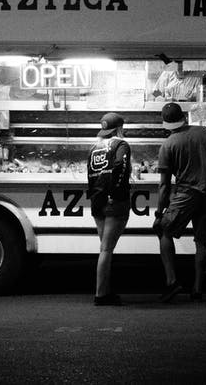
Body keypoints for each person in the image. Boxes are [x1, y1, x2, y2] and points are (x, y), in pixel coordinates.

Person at [153, 102, 206, 302]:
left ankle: (172, 282)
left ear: (166, 123)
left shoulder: (168, 145)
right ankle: (197, 288)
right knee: (201, 241)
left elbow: (164, 186)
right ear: (184, 117)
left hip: (186, 193)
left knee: (164, 230)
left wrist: (159, 212)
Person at [88, 112, 132, 306]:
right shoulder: (121, 145)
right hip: (114, 202)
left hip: (97, 201)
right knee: (106, 249)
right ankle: (101, 295)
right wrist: (116, 194)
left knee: (104, 248)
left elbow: (89, 175)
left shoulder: (93, 147)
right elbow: (120, 167)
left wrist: (96, 196)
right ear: (119, 128)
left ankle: (105, 291)